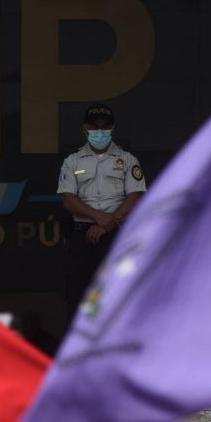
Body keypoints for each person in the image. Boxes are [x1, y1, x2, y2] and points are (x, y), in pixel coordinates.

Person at [57, 103, 146, 321]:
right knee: (79, 298)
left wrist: (108, 224)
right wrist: (99, 218)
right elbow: (68, 200)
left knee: (118, 296)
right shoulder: (72, 161)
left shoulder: (127, 159)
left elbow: (135, 196)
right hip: (81, 236)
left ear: (112, 128)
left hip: (116, 235)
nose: (99, 131)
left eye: (104, 126)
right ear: (84, 128)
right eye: (94, 126)